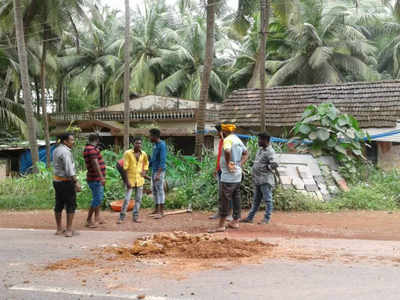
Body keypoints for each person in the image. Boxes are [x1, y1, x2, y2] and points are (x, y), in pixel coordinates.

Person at [209, 124, 248, 233]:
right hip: (237, 175)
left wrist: (228, 163)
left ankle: (221, 225)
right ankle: (235, 221)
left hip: (228, 176)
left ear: (223, 132)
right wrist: (239, 164)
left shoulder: (228, 140)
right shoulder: (237, 139)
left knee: (225, 199)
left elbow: (227, 151)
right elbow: (246, 153)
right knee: (236, 198)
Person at [241, 133, 276, 224]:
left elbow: (275, 164)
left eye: (260, 139)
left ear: (266, 140)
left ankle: (266, 219)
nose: (258, 141)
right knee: (256, 200)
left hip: (265, 180)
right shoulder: (260, 150)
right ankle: (250, 218)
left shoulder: (270, 151)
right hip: (258, 180)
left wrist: (266, 168)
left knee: (268, 200)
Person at [52, 133, 81, 237]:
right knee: (70, 204)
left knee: (59, 204)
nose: (73, 142)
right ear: (65, 141)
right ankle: (69, 230)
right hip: (66, 181)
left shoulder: (56, 150)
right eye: (71, 140)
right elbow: (69, 170)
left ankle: (59, 229)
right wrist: (76, 182)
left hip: (57, 181)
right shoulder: (65, 152)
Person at [117, 137, 149, 223]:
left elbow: (146, 163)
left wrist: (145, 172)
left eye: (140, 143)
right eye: (137, 143)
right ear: (133, 144)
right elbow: (125, 168)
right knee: (127, 199)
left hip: (140, 180)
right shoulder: (128, 153)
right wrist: (126, 181)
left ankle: (135, 217)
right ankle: (121, 217)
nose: (138, 145)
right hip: (130, 180)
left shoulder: (144, 154)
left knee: (138, 199)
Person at [209, 124, 232, 221]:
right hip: (220, 170)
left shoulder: (229, 142)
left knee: (228, 193)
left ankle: (229, 214)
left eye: (219, 132)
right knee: (220, 193)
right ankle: (220, 212)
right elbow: (219, 157)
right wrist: (216, 168)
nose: (218, 134)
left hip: (227, 171)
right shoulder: (221, 142)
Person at [83, 134, 106, 228]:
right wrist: (101, 177)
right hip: (95, 178)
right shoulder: (91, 149)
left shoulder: (91, 148)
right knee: (97, 199)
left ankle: (97, 217)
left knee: (98, 198)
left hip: (95, 178)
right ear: (97, 140)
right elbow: (95, 164)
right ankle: (88, 220)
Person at [149, 128, 167, 219]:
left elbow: (162, 160)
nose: (149, 137)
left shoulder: (162, 145)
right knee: (154, 190)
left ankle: (161, 212)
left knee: (160, 190)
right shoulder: (155, 145)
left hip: (159, 171)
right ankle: (156, 209)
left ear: (155, 136)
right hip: (154, 170)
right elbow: (153, 159)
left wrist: (158, 174)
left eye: (150, 135)